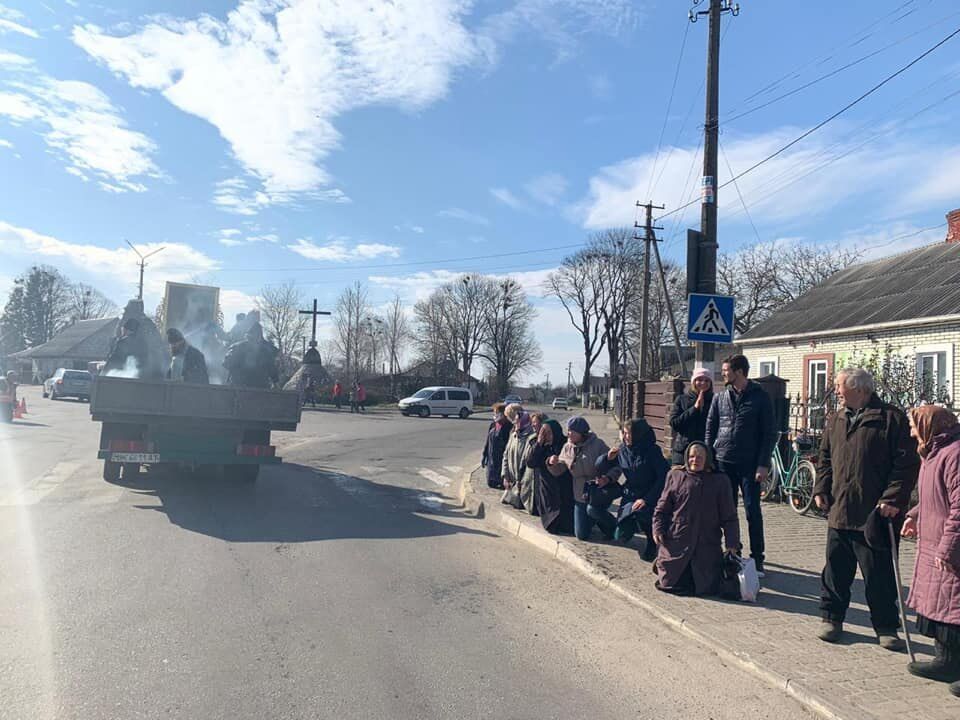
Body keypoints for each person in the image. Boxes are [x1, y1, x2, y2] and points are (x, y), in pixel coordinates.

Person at [813, 367, 919, 649]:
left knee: (878, 575)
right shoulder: (836, 419)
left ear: (858, 389)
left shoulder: (890, 419)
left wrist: (892, 499)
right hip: (840, 509)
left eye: (839, 385)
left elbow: (906, 465)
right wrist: (821, 488)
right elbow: (824, 457)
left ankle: (886, 626)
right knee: (835, 571)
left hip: (875, 514)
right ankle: (831, 618)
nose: (835, 390)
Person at [902, 405, 960, 697]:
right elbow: (934, 494)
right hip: (933, 539)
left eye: (914, 425)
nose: (911, 431)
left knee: (955, 607)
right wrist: (915, 514)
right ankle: (947, 661)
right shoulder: (934, 451)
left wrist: (948, 548)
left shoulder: (955, 454)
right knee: (942, 606)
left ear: (929, 426)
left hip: (949, 545)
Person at [705, 354, 776, 575]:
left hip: (749, 464)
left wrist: (763, 464)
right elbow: (711, 427)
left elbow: (769, 434)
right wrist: (709, 458)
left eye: (726, 370)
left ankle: (757, 559)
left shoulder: (760, 398)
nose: (723, 374)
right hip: (723, 461)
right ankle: (731, 552)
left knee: (752, 511)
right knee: (726, 511)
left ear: (739, 372)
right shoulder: (720, 398)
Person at [653, 441, 741, 596]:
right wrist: (658, 528)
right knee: (669, 582)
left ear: (707, 459)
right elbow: (662, 508)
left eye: (700, 457)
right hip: (678, 540)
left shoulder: (720, 481)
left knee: (705, 586)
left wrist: (732, 544)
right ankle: (661, 562)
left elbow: (730, 518)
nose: (695, 460)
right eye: (692, 456)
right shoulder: (676, 476)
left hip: (706, 543)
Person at [595, 418, 670, 561]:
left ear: (638, 434)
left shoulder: (652, 451)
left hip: (650, 494)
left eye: (629, 433)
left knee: (643, 513)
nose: (626, 437)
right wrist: (607, 459)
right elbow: (599, 467)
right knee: (621, 535)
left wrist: (647, 499)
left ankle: (651, 541)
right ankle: (634, 523)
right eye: (624, 433)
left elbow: (664, 478)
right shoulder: (623, 450)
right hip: (630, 493)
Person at [553, 416, 618, 541]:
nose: (568, 433)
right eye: (568, 430)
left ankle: (612, 525)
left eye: (572, 431)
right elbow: (560, 468)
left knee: (593, 510)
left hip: (598, 492)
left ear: (581, 433)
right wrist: (552, 463)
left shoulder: (598, 445)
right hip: (580, 495)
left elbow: (615, 465)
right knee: (581, 535)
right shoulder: (567, 447)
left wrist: (607, 478)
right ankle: (592, 520)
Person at [526, 418, 574, 534]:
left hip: (563, 485)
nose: (546, 436)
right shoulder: (540, 446)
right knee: (551, 522)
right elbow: (531, 462)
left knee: (567, 522)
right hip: (546, 486)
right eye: (544, 432)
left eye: (548, 433)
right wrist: (539, 443)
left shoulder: (564, 444)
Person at [669, 367, 714, 466]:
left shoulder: (715, 400)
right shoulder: (682, 399)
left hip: (706, 452)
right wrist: (694, 408)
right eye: (699, 380)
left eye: (707, 380)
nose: (703, 383)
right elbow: (674, 423)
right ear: (693, 382)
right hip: (683, 450)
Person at [223, 322, 279, 389]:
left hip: (256, 389)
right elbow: (227, 364)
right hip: (243, 389)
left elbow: (226, 364)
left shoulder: (265, 352)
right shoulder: (238, 347)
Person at [501, 406, 535, 508]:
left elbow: (526, 462)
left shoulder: (530, 438)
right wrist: (505, 476)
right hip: (511, 482)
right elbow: (506, 455)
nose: (515, 424)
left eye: (517, 421)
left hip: (523, 483)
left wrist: (521, 481)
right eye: (515, 422)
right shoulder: (513, 435)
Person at [481, 402, 512, 490]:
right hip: (491, 458)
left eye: (496, 413)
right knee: (490, 483)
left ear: (503, 414)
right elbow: (488, 441)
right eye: (494, 413)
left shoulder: (509, 427)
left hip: (501, 459)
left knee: (501, 484)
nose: (495, 415)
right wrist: (484, 455)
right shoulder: (493, 425)